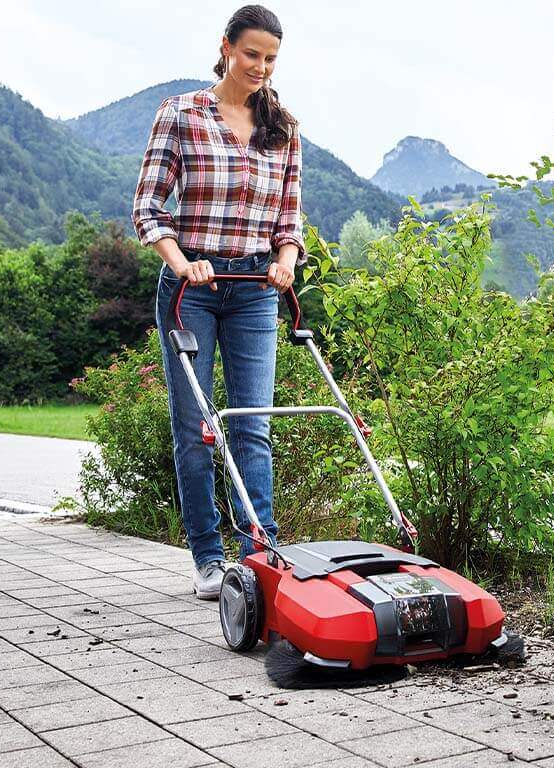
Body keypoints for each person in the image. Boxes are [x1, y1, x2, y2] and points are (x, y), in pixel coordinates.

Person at [132, 4, 306, 600]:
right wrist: (184, 264)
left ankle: (259, 553)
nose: (261, 67)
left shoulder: (284, 127)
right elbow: (150, 209)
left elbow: (289, 220)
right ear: (226, 47)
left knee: (253, 425)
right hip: (192, 292)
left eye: (271, 58)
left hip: (257, 291)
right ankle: (208, 557)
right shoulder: (180, 113)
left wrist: (285, 261)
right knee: (196, 427)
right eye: (251, 53)